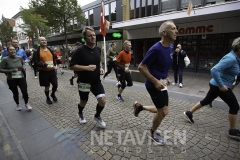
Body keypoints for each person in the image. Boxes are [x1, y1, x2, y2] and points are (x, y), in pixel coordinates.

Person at [183, 37, 240, 140]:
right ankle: (232, 131)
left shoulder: (236, 58)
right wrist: (221, 85)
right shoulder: (231, 58)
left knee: (206, 100)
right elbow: (214, 70)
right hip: (220, 86)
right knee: (235, 107)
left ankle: (189, 113)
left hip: (216, 85)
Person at [133, 20, 178, 145]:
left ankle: (140, 107)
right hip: (154, 85)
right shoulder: (155, 49)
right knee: (162, 111)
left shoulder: (170, 47)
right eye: (173, 29)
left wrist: (166, 76)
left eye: (176, 28)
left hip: (162, 83)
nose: (176, 31)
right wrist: (155, 81)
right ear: (164, 32)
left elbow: (163, 65)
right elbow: (141, 67)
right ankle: (152, 132)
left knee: (164, 111)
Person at [70, 26, 106, 128]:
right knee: (83, 102)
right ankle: (80, 113)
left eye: (94, 35)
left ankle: (97, 116)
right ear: (85, 38)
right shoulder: (80, 50)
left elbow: (98, 60)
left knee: (102, 100)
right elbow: (71, 66)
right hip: (83, 82)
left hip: (96, 82)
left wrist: (101, 67)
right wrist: (86, 68)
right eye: (90, 36)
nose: (93, 37)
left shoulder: (98, 49)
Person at [0, 45, 32, 111]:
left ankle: (26, 103)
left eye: (13, 49)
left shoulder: (19, 57)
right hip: (11, 79)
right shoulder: (5, 59)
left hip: (21, 77)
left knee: (25, 92)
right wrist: (11, 70)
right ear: (8, 51)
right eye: (10, 50)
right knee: (15, 93)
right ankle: (17, 104)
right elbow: (0, 69)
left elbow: (21, 65)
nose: (12, 51)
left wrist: (23, 68)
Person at [33, 37, 58, 105]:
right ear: (39, 42)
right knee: (47, 86)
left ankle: (52, 94)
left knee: (55, 85)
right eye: (42, 40)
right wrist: (44, 64)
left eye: (45, 40)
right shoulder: (37, 52)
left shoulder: (50, 49)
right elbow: (35, 62)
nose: (44, 41)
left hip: (52, 71)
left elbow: (53, 59)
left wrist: (55, 65)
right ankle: (48, 98)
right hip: (43, 72)